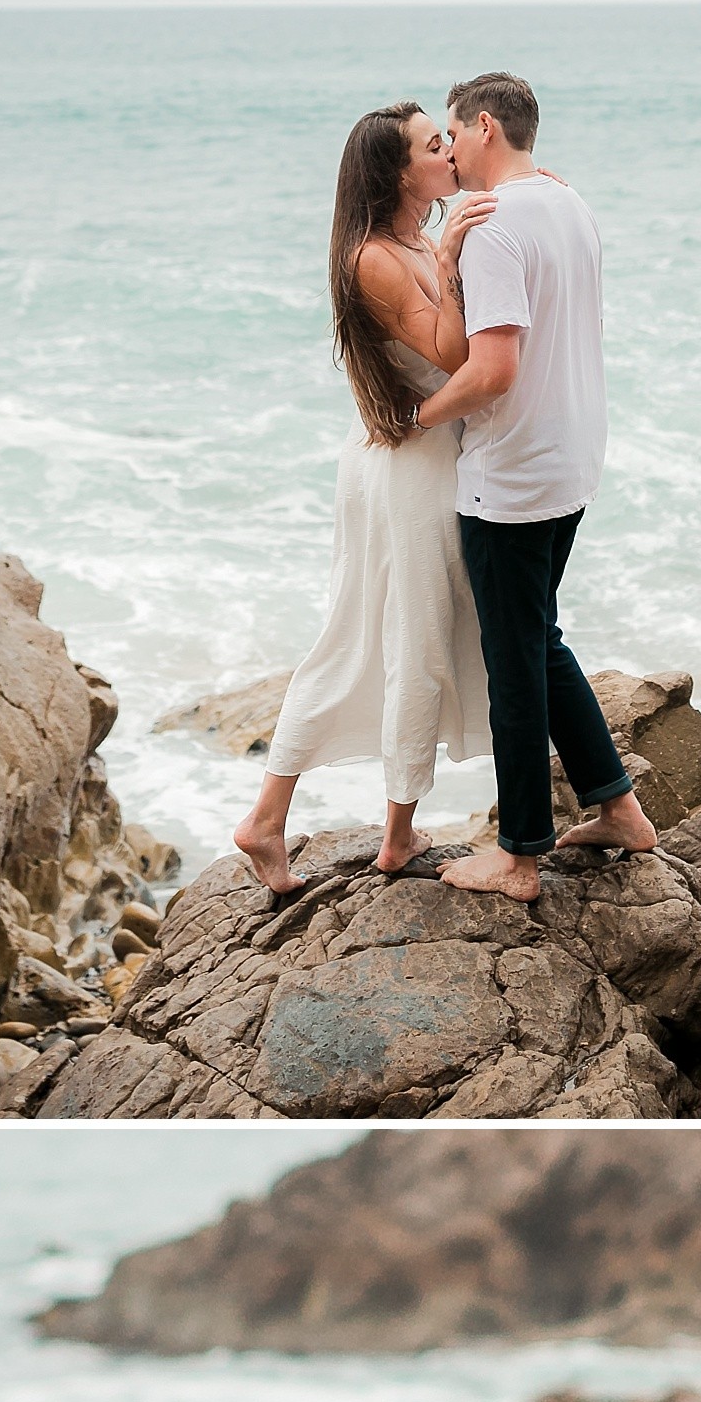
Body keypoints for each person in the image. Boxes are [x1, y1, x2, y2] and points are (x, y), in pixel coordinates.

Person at [405, 71, 662, 911]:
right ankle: (620, 808)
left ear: (485, 126)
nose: (447, 147)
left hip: (513, 473)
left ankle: (519, 857)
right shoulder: (569, 202)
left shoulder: (493, 226)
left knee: (513, 661)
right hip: (572, 456)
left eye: (452, 131)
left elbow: (494, 368)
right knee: (538, 639)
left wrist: (416, 416)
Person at [233, 107, 494, 901]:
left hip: (414, 457)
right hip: (405, 470)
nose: (448, 150)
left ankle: (292, 821)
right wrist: (450, 257)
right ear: (395, 174)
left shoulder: (413, 239)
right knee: (400, 641)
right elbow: (453, 354)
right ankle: (387, 833)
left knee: (401, 638)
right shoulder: (378, 258)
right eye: (432, 145)